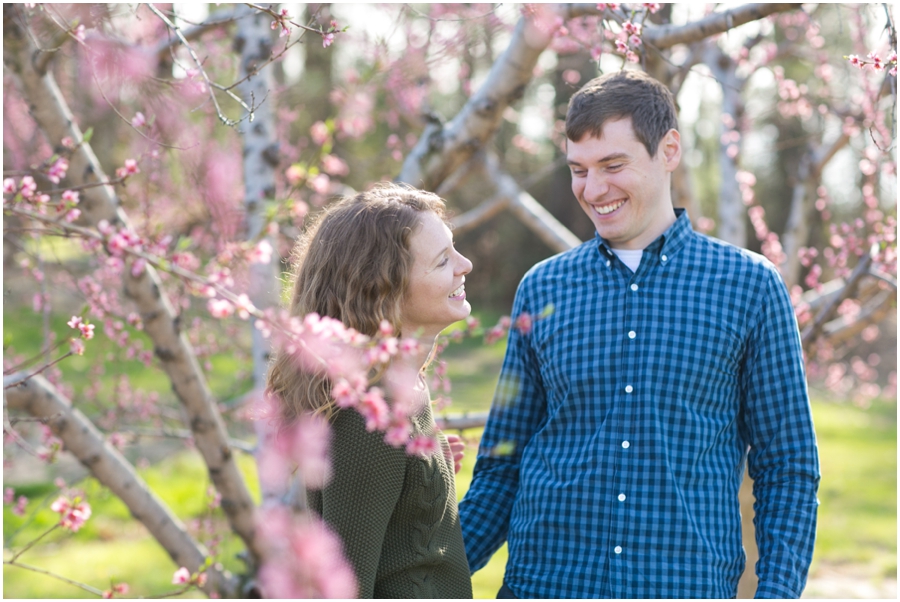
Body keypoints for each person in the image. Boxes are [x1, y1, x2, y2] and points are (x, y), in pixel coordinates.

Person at [459, 70, 820, 599]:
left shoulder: (750, 286)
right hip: (547, 584)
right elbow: (501, 465)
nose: (593, 189)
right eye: (579, 170)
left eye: (613, 165)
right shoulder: (542, 287)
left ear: (668, 149)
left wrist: (778, 593)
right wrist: (420, 580)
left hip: (682, 586)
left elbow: (787, 467)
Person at [267, 183, 474, 598]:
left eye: (454, 248)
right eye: (441, 261)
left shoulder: (401, 386)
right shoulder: (371, 414)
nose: (465, 264)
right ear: (385, 291)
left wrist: (426, 472)